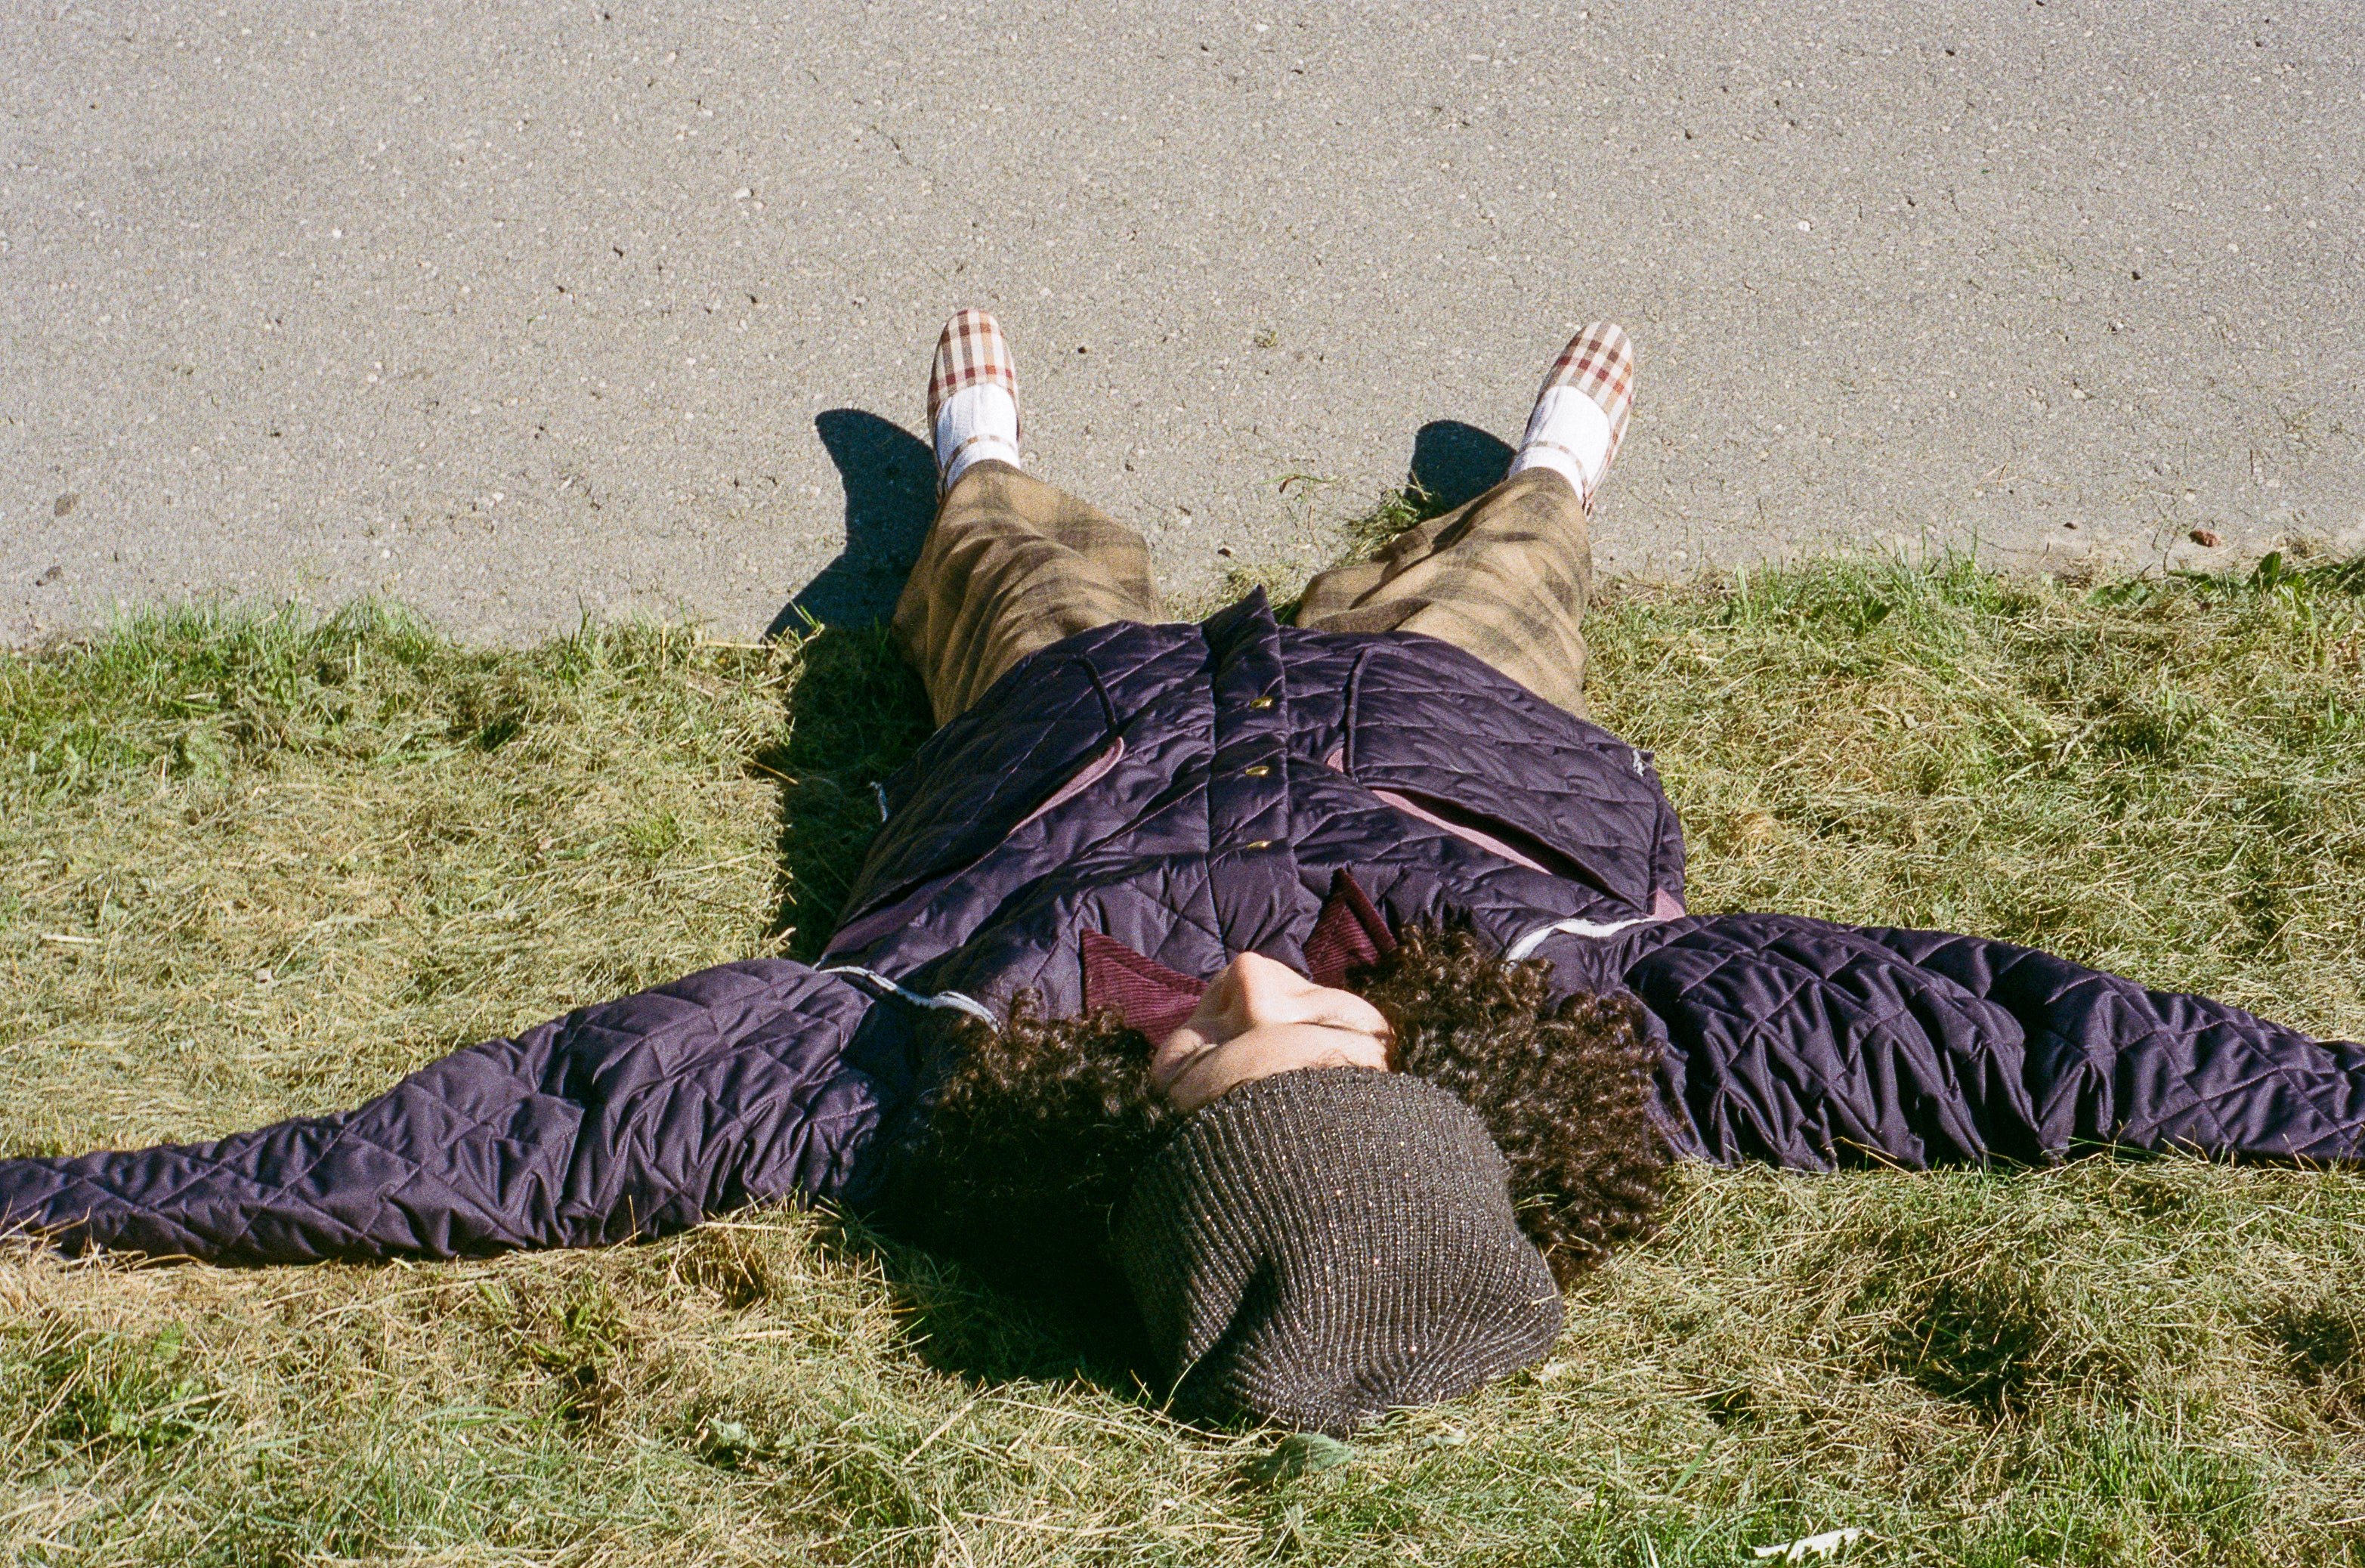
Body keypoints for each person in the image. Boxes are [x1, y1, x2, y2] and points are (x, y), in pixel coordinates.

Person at [3, 311, 2360, 1439]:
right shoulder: (1618, 1029)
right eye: (1325, 1019)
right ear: (1444, 1089)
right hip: (1460, 739)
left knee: (1008, 569)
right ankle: (1549, 461)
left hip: (1062, 742)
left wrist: (83, 1199)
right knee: (1503, 567)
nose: (1252, 968)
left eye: (1206, 1040)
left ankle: (982, 449)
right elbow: (2025, 1041)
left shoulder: (900, 1076)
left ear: (1129, 1125)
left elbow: (509, 1146)